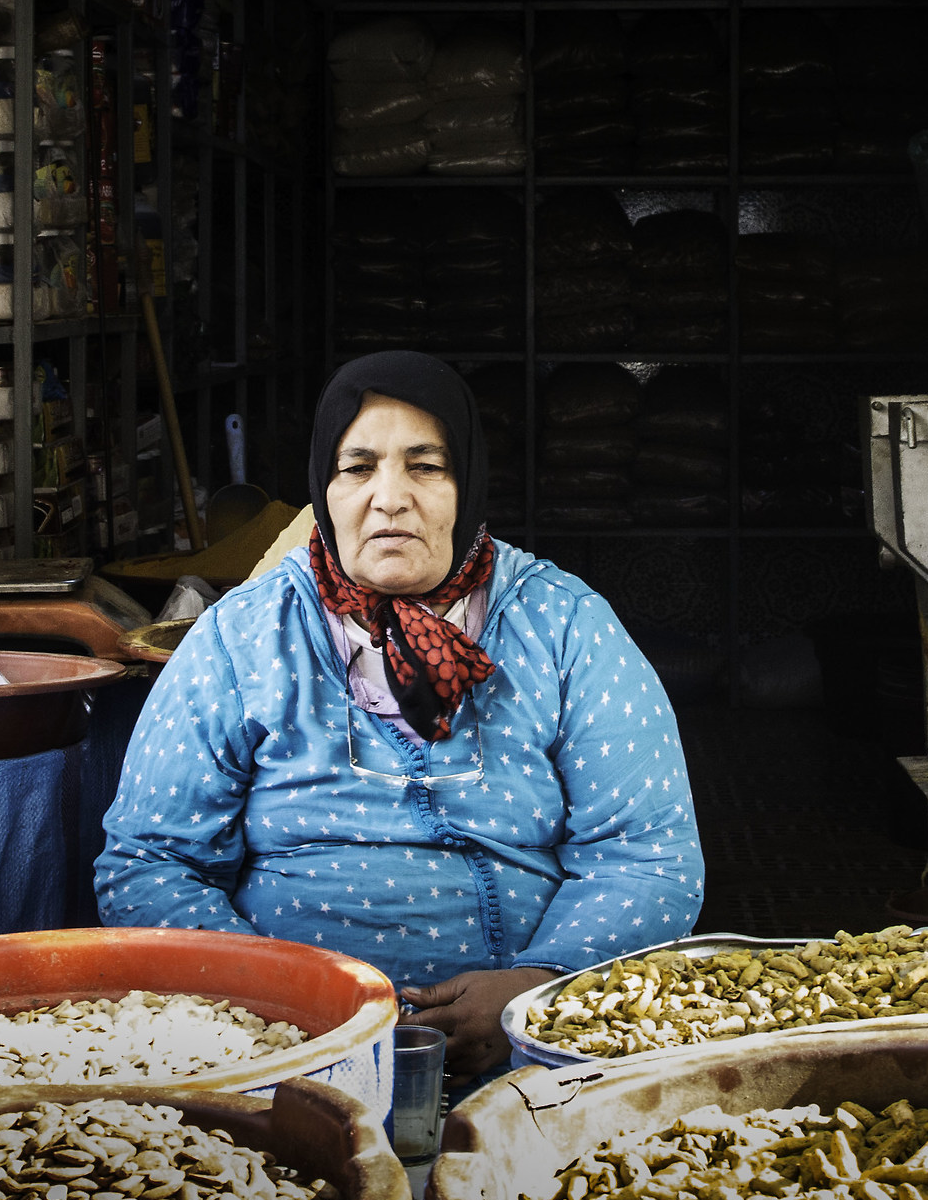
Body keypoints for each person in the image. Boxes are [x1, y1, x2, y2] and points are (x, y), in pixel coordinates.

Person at [96, 351, 705, 1083]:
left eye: (427, 467)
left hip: (531, 1048)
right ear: (324, 488)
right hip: (280, 1046)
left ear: (468, 482)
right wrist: (275, 1001)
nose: (390, 499)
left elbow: (648, 854)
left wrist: (539, 991)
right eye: (358, 468)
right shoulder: (244, 636)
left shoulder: (564, 624)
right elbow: (150, 861)